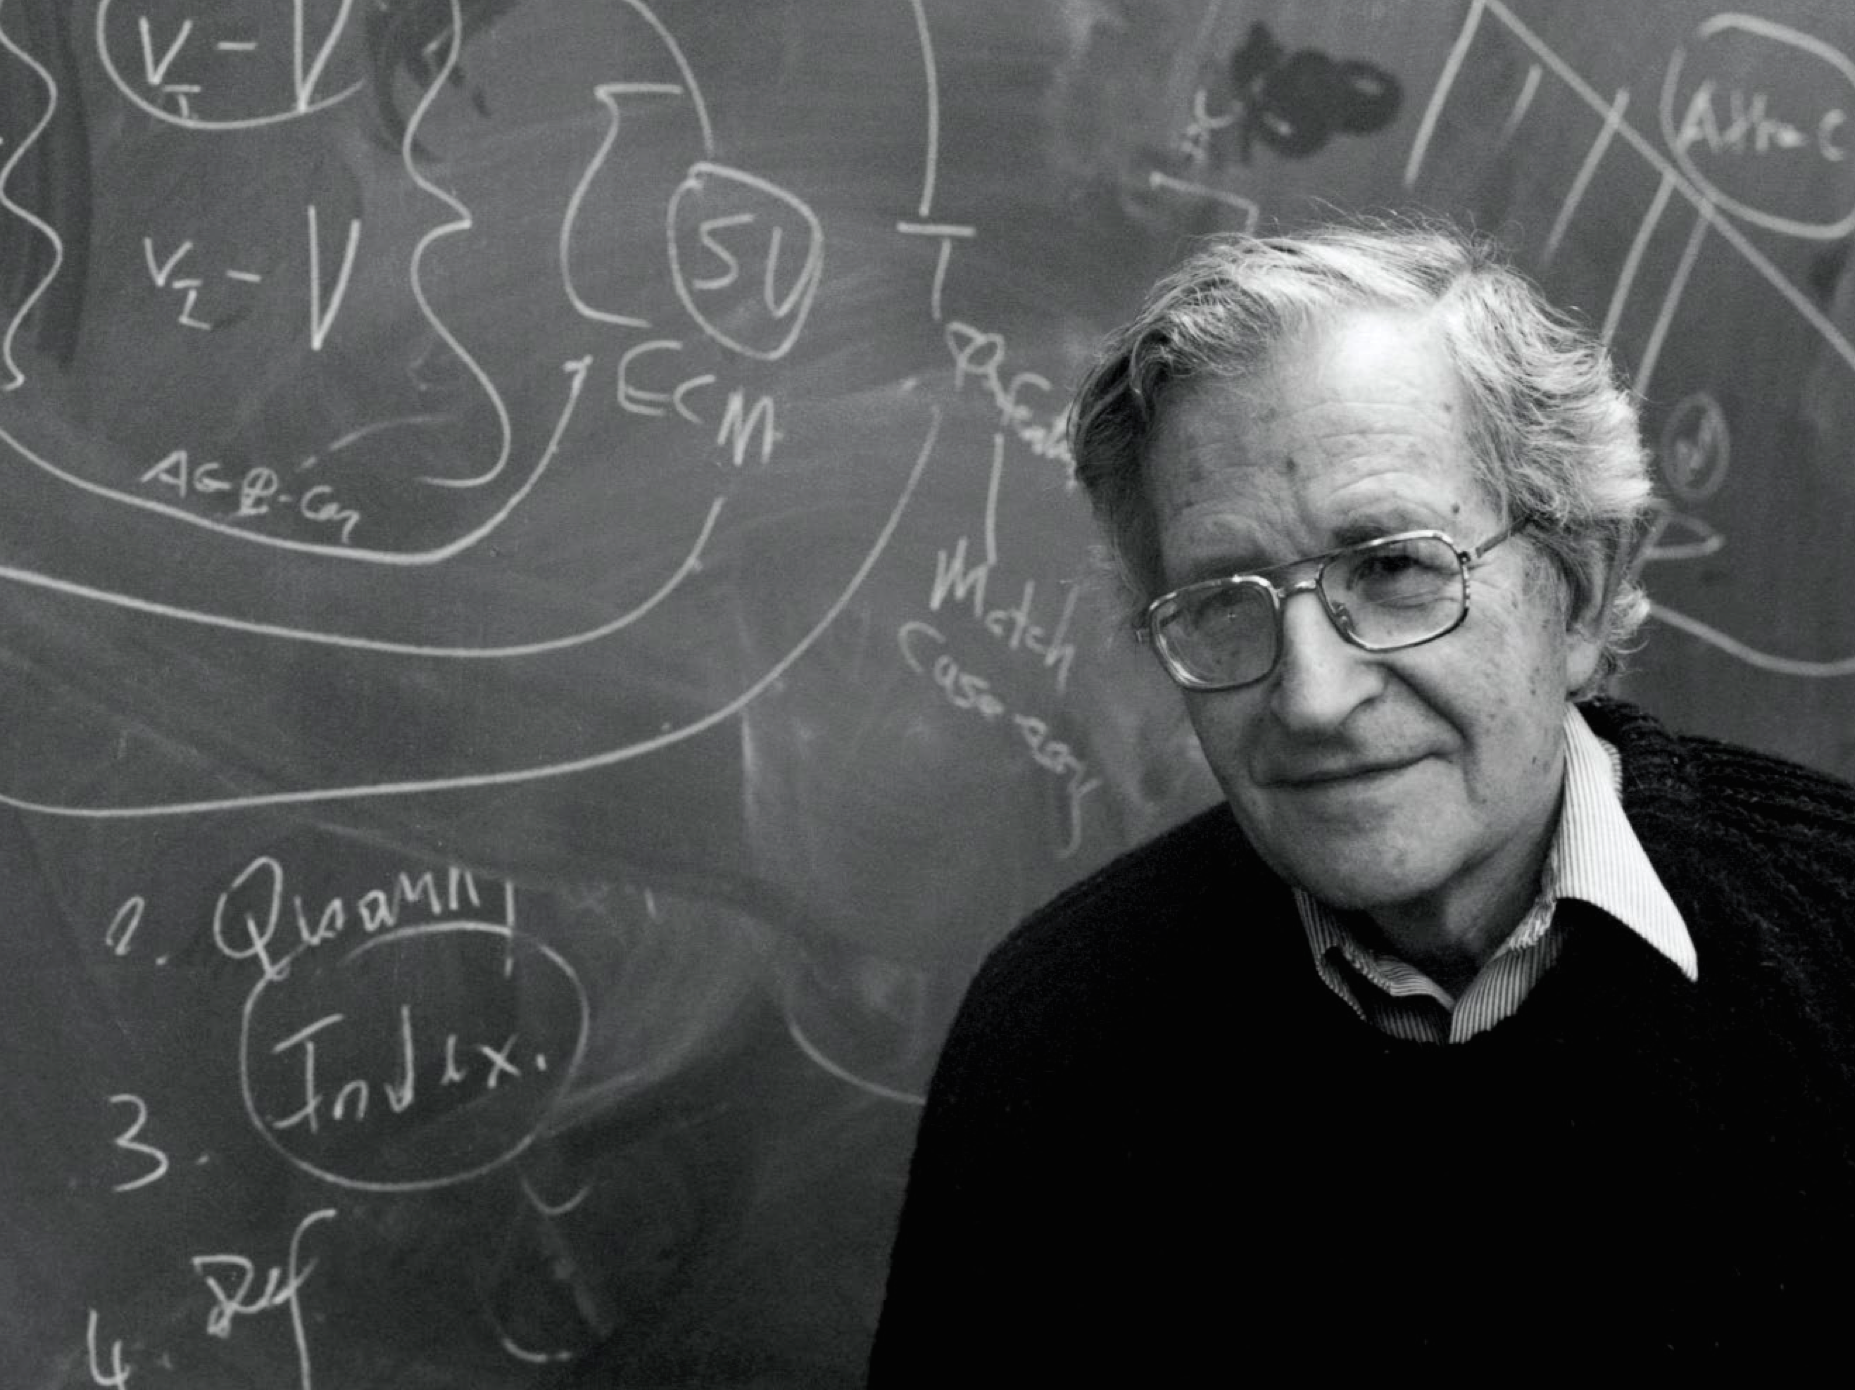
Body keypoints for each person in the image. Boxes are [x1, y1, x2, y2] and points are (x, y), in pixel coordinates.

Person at [869, 219, 1855, 1378]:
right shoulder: (1052, 1042)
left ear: (1581, 595)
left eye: (1392, 567)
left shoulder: (1832, 939)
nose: (1312, 695)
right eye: (1223, 600)